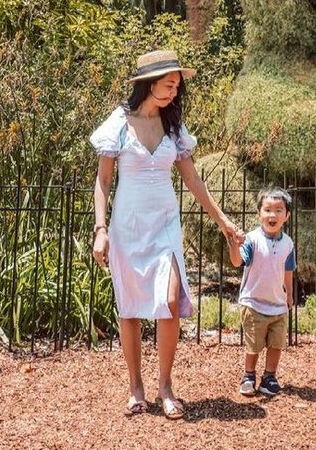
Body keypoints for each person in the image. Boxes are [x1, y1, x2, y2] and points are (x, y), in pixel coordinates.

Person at [90, 48, 244, 419]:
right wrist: (100, 229)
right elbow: (103, 180)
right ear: (148, 84)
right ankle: (135, 387)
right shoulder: (119, 123)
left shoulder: (174, 128)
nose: (175, 92)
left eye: (177, 86)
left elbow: (192, 179)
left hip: (164, 225)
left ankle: (166, 385)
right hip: (127, 226)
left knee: (171, 300)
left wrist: (223, 221)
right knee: (129, 306)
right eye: (168, 85)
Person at [228, 187, 296, 399]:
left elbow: (288, 271)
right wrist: (233, 246)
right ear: (259, 214)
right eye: (267, 210)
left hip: (277, 303)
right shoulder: (251, 239)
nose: (272, 215)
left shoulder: (288, 243)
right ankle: (249, 375)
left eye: (278, 210)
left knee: (276, 343)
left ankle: (270, 377)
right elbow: (237, 261)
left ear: (287, 215)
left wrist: (289, 295)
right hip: (253, 303)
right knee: (254, 344)